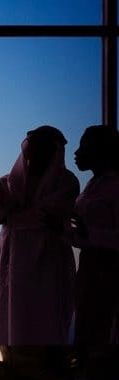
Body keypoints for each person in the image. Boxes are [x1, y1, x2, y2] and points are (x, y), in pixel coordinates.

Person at [0, 126, 79, 345]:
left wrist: (11, 215)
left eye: (43, 147)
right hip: (12, 256)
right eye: (33, 146)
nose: (36, 152)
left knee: (46, 313)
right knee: (9, 311)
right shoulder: (11, 180)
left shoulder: (66, 182)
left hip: (48, 256)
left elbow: (43, 215)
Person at [69, 125, 119, 346]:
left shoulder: (114, 186)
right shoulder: (93, 184)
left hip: (109, 271)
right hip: (90, 268)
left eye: (83, 146)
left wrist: (87, 234)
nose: (76, 152)